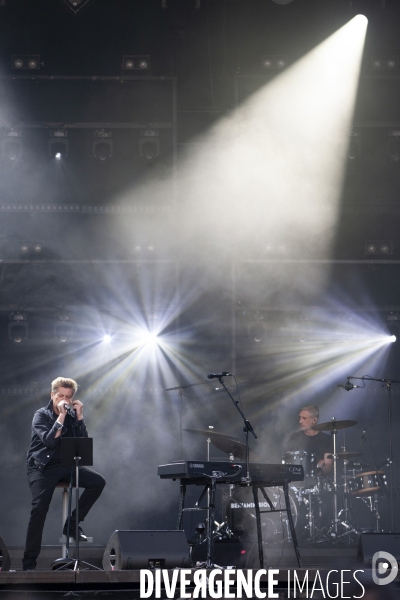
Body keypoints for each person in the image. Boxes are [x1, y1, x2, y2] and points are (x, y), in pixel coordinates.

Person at [22, 377, 105, 572]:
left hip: (67, 466)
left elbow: (82, 446)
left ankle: (72, 524)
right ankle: (28, 564)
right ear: (52, 395)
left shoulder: (72, 416)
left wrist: (79, 417)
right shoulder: (40, 415)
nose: (64, 400)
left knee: (98, 482)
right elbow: (50, 442)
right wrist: (60, 417)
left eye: (68, 397)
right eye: (60, 395)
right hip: (42, 467)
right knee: (39, 508)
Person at [285, 405, 333, 475]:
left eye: (304, 418)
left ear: (314, 420)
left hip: (319, 481)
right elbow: (288, 461)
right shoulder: (294, 437)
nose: (300, 421)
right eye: (300, 418)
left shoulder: (326, 439)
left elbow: (329, 465)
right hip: (297, 480)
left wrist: (315, 473)